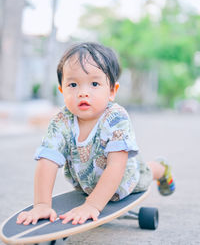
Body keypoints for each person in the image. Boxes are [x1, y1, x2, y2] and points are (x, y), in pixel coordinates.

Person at [17, 42, 175, 226]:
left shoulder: (116, 118)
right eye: (73, 84)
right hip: (87, 182)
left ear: (111, 91)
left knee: (144, 173)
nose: (83, 93)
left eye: (94, 84)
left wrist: (92, 205)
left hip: (125, 180)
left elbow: (117, 165)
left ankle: (162, 168)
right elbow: (47, 160)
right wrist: (42, 204)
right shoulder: (61, 121)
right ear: (62, 90)